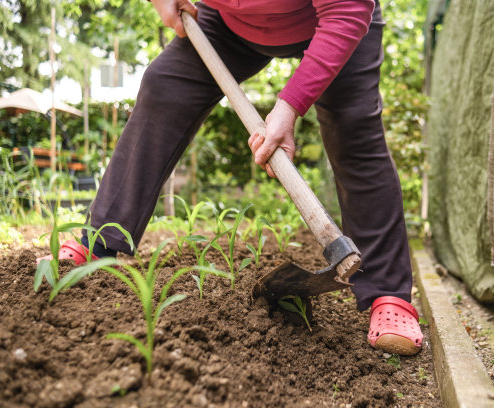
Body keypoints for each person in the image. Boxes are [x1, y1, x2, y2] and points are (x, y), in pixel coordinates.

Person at [39, 0, 423, 356]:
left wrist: (288, 107)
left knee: (353, 128)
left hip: (337, 21)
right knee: (163, 86)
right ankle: (101, 239)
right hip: (230, 25)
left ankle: (388, 293)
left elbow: (346, 10)